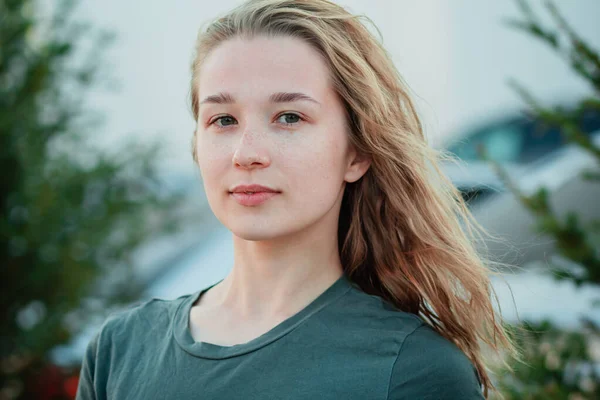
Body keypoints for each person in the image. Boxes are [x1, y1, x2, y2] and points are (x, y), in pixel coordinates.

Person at [76, 0, 520, 399]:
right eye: (223, 119)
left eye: (289, 117)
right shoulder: (119, 351)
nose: (247, 152)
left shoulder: (413, 373)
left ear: (357, 151)